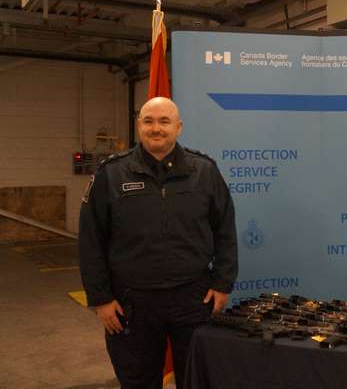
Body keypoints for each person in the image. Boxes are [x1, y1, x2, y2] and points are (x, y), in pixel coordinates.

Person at [78, 97, 238, 388]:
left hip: (193, 299)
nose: (156, 128)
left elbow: (225, 229)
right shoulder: (111, 174)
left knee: (196, 379)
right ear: (139, 126)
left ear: (178, 127)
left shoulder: (204, 171)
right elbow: (91, 241)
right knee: (137, 381)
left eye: (164, 121)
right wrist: (100, 298)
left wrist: (223, 282)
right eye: (149, 121)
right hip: (131, 303)